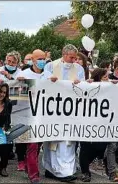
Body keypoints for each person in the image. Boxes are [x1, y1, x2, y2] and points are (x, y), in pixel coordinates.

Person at [42, 44, 84, 182]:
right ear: (64, 54)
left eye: (75, 57)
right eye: (71, 57)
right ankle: (50, 169)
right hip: (54, 109)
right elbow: (43, 82)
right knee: (53, 140)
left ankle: (66, 171)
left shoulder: (79, 68)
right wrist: (50, 80)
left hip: (71, 110)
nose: (74, 60)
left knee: (68, 141)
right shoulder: (50, 66)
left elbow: (84, 87)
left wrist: (81, 83)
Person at [16, 49, 51, 183]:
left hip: (43, 113)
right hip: (28, 114)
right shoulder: (24, 73)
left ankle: (29, 165)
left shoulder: (48, 74)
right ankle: (34, 174)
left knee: (38, 144)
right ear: (33, 59)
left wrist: (55, 82)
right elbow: (14, 92)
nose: (42, 61)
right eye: (40, 58)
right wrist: (19, 82)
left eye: (44, 59)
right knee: (32, 144)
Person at [79, 68, 110, 182]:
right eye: (105, 77)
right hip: (87, 122)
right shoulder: (89, 86)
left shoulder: (110, 89)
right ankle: (85, 172)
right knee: (85, 147)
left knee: (101, 147)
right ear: (98, 78)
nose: (108, 79)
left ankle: (89, 163)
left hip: (102, 123)